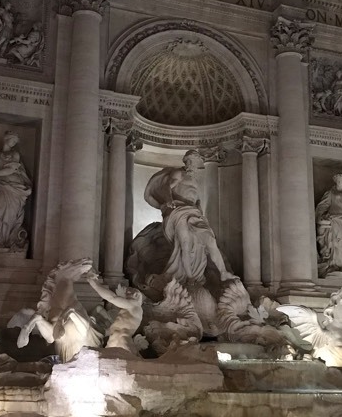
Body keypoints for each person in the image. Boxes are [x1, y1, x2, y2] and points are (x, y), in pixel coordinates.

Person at [144, 149, 235, 284]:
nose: (193, 165)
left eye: (195, 163)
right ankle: (190, 277)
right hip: (179, 211)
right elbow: (167, 187)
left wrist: (200, 210)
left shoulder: (195, 180)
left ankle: (223, 273)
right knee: (184, 244)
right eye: (191, 162)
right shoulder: (178, 174)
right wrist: (168, 199)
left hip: (194, 213)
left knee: (210, 240)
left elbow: (196, 199)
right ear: (186, 162)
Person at [85, 271, 143, 354]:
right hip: (112, 340)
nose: (126, 295)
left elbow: (113, 298)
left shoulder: (135, 305)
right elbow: (117, 326)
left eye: (129, 293)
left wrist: (95, 284)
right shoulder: (128, 309)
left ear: (136, 296)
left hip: (123, 341)